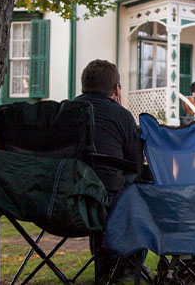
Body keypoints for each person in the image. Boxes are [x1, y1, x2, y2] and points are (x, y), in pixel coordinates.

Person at [73, 60, 142, 283]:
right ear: (116, 89)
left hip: (66, 200)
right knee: (136, 186)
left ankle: (112, 262)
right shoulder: (121, 115)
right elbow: (136, 164)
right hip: (108, 201)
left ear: (83, 85)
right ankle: (127, 264)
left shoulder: (64, 111)